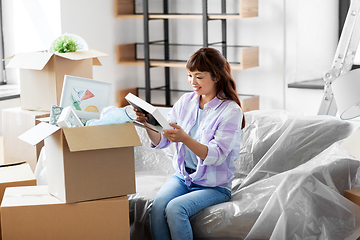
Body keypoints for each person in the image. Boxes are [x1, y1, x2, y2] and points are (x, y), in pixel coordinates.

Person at [134, 47, 245, 240]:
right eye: (189, 75)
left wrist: (185, 138)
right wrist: (146, 124)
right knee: (157, 207)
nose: (192, 82)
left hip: (214, 186)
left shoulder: (230, 111)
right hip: (183, 177)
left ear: (216, 76)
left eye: (199, 77)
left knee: (176, 209)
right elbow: (162, 141)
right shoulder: (186, 101)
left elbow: (217, 155)